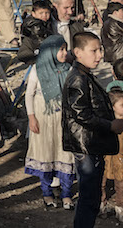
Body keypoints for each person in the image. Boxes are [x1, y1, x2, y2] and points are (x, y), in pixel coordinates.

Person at [62, 31, 123, 228]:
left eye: (100, 50)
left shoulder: (85, 75)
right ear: (78, 52)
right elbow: (82, 114)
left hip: (91, 144)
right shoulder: (77, 79)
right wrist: (110, 125)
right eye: (94, 51)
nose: (99, 55)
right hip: (85, 145)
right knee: (88, 197)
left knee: (93, 195)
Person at [24, 34, 75, 209]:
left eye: (64, 49)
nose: (63, 52)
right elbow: (29, 95)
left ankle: (66, 194)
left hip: (62, 120)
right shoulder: (37, 69)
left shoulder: (68, 69)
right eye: (60, 49)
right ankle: (47, 193)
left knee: (65, 153)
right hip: (42, 120)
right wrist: (31, 118)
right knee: (44, 153)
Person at [101, 88, 123, 221]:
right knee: (101, 182)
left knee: (121, 184)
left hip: (121, 159)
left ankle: (120, 207)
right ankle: (101, 203)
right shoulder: (107, 123)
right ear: (112, 107)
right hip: (108, 157)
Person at [18, 0, 55, 65]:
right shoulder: (35, 25)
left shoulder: (44, 23)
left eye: (47, 13)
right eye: (41, 13)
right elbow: (40, 41)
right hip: (32, 51)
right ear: (33, 14)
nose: (44, 15)